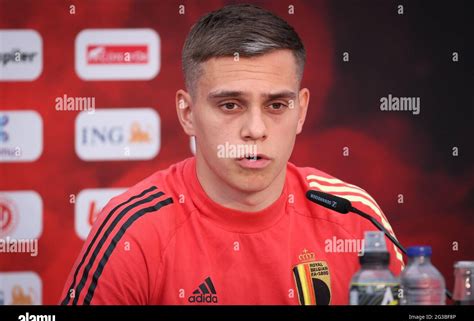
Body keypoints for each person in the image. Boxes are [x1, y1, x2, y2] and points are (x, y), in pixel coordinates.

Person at [60, 4, 404, 305]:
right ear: (187, 113)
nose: (255, 129)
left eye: (276, 105)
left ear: (300, 112)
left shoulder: (356, 218)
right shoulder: (132, 231)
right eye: (230, 104)